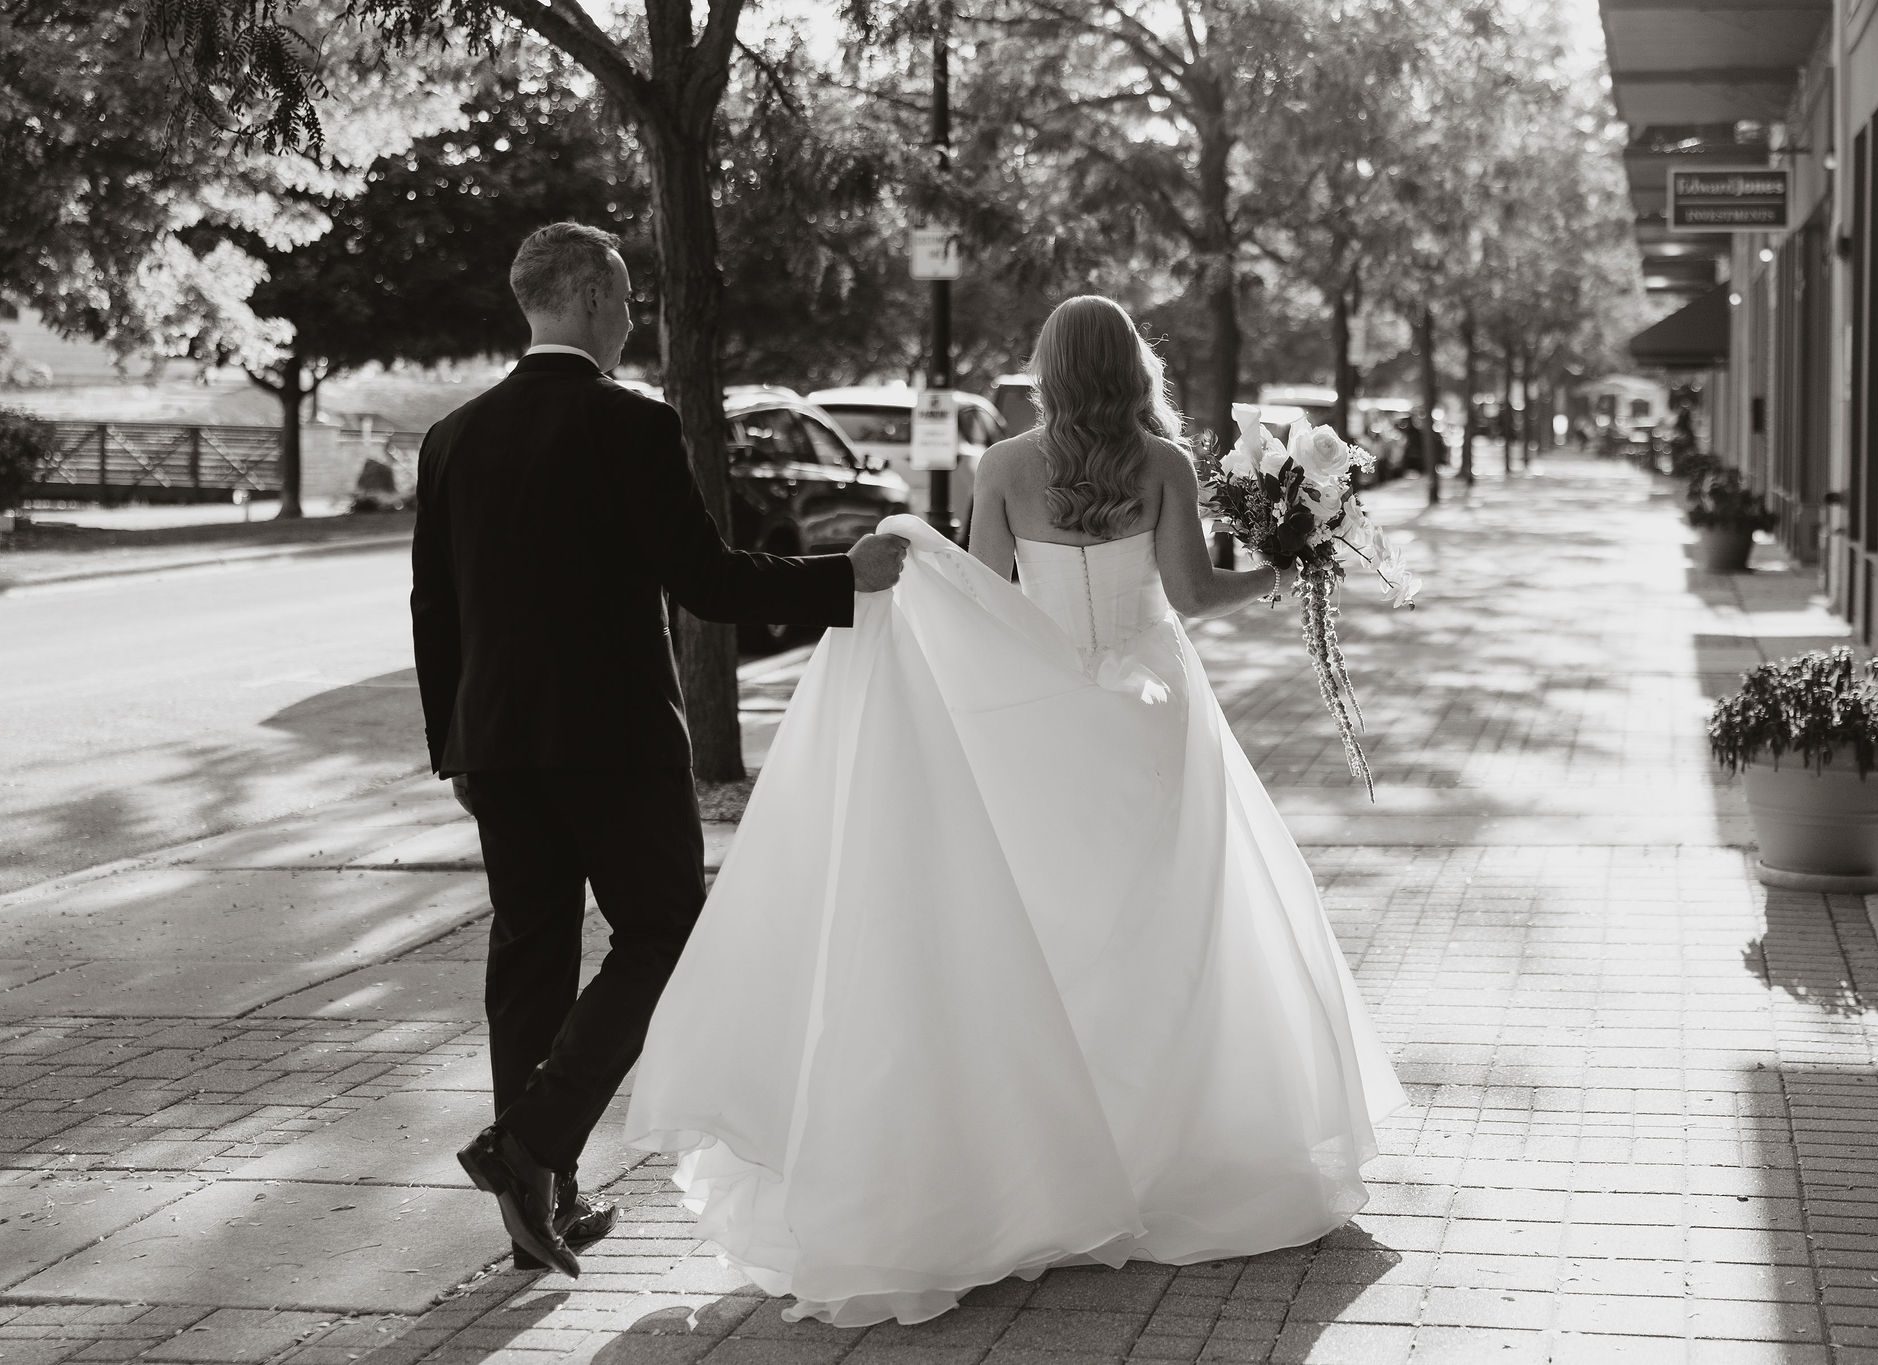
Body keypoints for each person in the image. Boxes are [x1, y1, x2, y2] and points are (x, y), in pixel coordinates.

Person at [624, 295, 1405, 1325]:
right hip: (1154, 715)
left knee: (1043, 926)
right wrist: (1285, 564)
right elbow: (1191, 593)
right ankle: (1158, 1151)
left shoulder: (1002, 467)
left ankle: (1046, 1155)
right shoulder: (1163, 465)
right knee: (1171, 930)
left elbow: (980, 598)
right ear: (1131, 367)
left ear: (1045, 368)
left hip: (1037, 715)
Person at [409, 222, 908, 1276]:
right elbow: (709, 583)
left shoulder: (452, 435)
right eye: (628, 298)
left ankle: (538, 1189)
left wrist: (452, 746)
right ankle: (532, 1146)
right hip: (612, 739)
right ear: (588, 295)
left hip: (494, 740)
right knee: (666, 932)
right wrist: (840, 579)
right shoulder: (627, 424)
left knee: (528, 957)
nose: (636, 316)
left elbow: (432, 611)